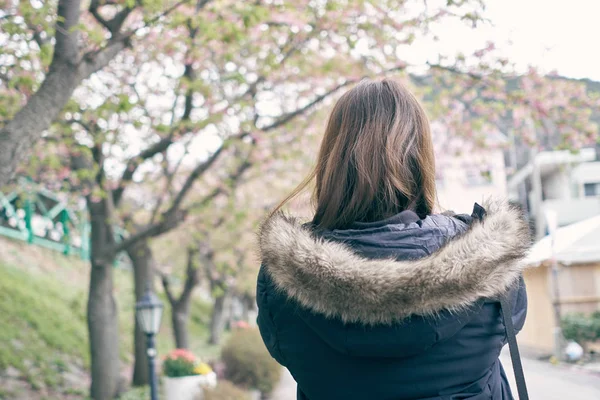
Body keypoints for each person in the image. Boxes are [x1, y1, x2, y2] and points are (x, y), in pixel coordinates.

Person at [256, 79, 531, 400]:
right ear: (421, 156)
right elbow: (509, 323)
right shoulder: (489, 260)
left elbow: (283, 347)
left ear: (333, 159)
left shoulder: (283, 280)